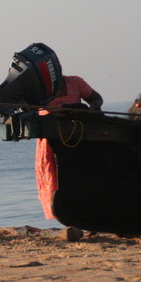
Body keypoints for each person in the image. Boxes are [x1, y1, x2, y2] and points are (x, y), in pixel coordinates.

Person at [36, 75, 103, 220]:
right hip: (51, 143)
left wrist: (94, 107)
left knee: (81, 178)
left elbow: (95, 97)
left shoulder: (75, 82)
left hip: (78, 138)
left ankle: (88, 218)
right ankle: (68, 216)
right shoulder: (39, 90)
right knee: (59, 180)